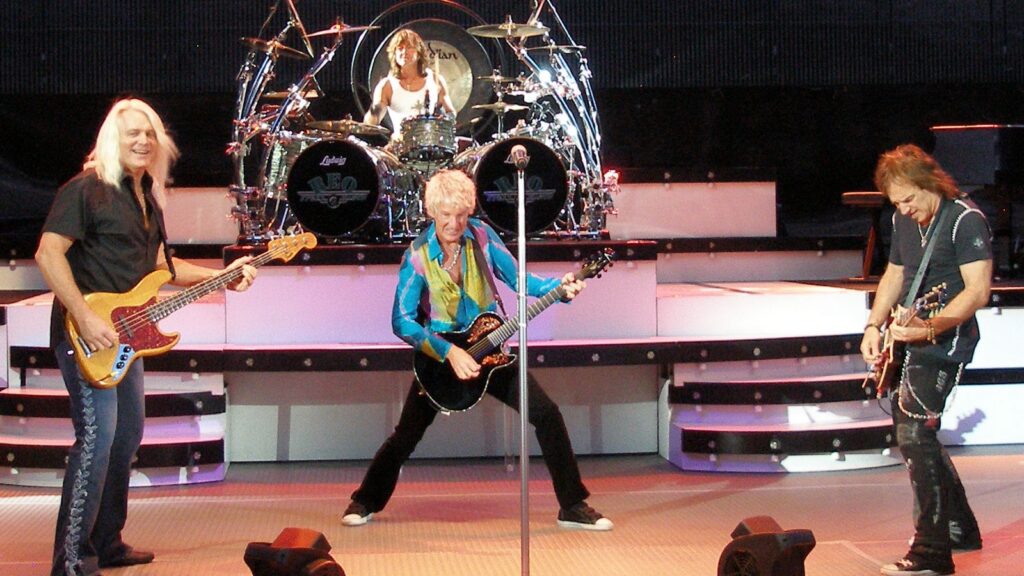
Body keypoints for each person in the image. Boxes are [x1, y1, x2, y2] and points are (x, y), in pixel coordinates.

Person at [35, 98, 258, 576]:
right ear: (112, 139)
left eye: (149, 134)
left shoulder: (146, 197)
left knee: (126, 437)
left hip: (126, 335)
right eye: (132, 133)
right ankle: (71, 561)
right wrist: (83, 314)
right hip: (86, 332)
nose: (142, 141)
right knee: (96, 439)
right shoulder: (86, 188)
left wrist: (223, 274)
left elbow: (159, 268)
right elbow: (49, 254)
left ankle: (107, 542)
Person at [341, 169, 612, 531]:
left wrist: (558, 286)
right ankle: (365, 500)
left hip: (491, 347)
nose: (454, 224)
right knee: (406, 435)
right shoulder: (418, 257)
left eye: (461, 215)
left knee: (546, 413)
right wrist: (449, 353)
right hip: (441, 360)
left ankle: (573, 505)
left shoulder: (482, 238)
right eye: (446, 215)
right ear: (431, 212)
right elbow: (402, 321)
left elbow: (518, 280)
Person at [861, 144, 991, 576]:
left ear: (928, 183)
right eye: (897, 202)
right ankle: (960, 529)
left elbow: (977, 292)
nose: (904, 209)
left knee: (914, 435)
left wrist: (929, 329)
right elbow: (896, 273)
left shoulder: (965, 221)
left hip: (945, 342)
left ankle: (932, 552)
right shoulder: (902, 219)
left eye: (910, 199)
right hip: (909, 337)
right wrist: (873, 327)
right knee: (918, 436)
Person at [363, 28, 455, 136]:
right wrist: (373, 113)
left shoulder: (435, 80)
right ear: (394, 53)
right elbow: (372, 121)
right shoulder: (386, 86)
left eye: (410, 47)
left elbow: (450, 112)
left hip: (431, 143)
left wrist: (444, 122)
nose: (404, 52)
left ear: (419, 52)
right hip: (401, 146)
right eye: (400, 48)